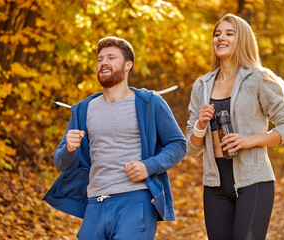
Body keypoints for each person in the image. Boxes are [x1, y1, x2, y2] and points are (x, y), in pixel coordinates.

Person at [43, 36, 187, 239]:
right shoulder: (84, 109)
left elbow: (178, 144)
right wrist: (68, 149)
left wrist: (149, 166)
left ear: (128, 65)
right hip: (94, 204)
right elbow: (61, 162)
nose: (104, 63)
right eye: (100, 59)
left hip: (135, 202)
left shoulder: (149, 102)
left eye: (111, 57)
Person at [186, 14, 284, 240]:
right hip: (215, 185)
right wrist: (200, 125)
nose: (221, 38)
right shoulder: (202, 85)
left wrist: (249, 140)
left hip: (254, 181)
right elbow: (192, 148)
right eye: (217, 34)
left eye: (229, 33)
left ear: (243, 40)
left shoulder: (259, 79)